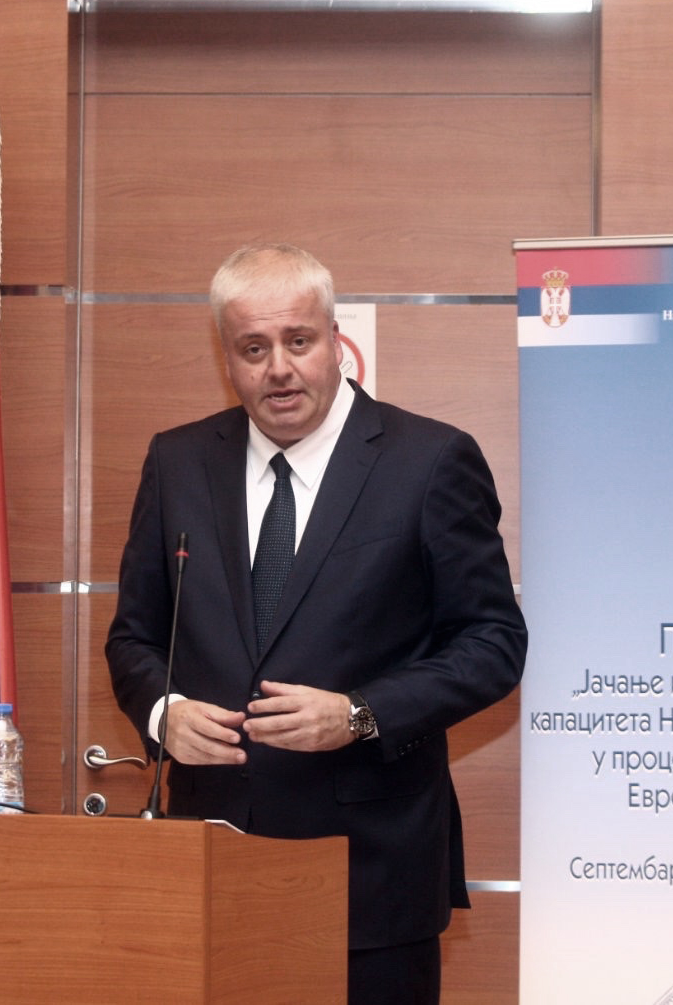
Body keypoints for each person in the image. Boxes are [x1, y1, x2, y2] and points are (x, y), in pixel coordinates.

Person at [105, 243, 527, 1004]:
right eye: (253, 348)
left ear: (335, 341)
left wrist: (360, 713)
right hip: (212, 864)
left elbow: (494, 644)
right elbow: (133, 638)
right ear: (227, 357)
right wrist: (164, 713)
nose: (279, 369)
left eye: (298, 341)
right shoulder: (178, 462)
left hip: (372, 874)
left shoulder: (430, 460)